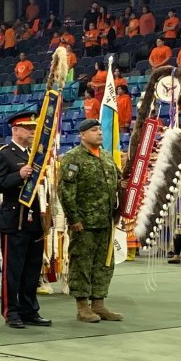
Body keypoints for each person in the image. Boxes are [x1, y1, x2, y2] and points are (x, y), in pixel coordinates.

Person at [0, 111, 50, 329]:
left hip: (33, 219)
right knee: (13, 270)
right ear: (15, 130)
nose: (33, 131)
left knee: (32, 269)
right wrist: (19, 175)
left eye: (34, 128)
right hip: (14, 219)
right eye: (28, 128)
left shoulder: (36, 154)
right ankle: (11, 312)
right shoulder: (4, 154)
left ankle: (29, 309)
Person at [58, 118, 122, 322]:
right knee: (82, 263)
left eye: (100, 130)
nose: (99, 133)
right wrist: (73, 218)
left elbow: (119, 182)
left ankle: (99, 304)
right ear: (82, 135)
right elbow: (66, 191)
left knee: (104, 263)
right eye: (94, 130)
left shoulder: (106, 157)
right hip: (84, 222)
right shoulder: (73, 158)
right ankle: (82, 307)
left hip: (105, 221)